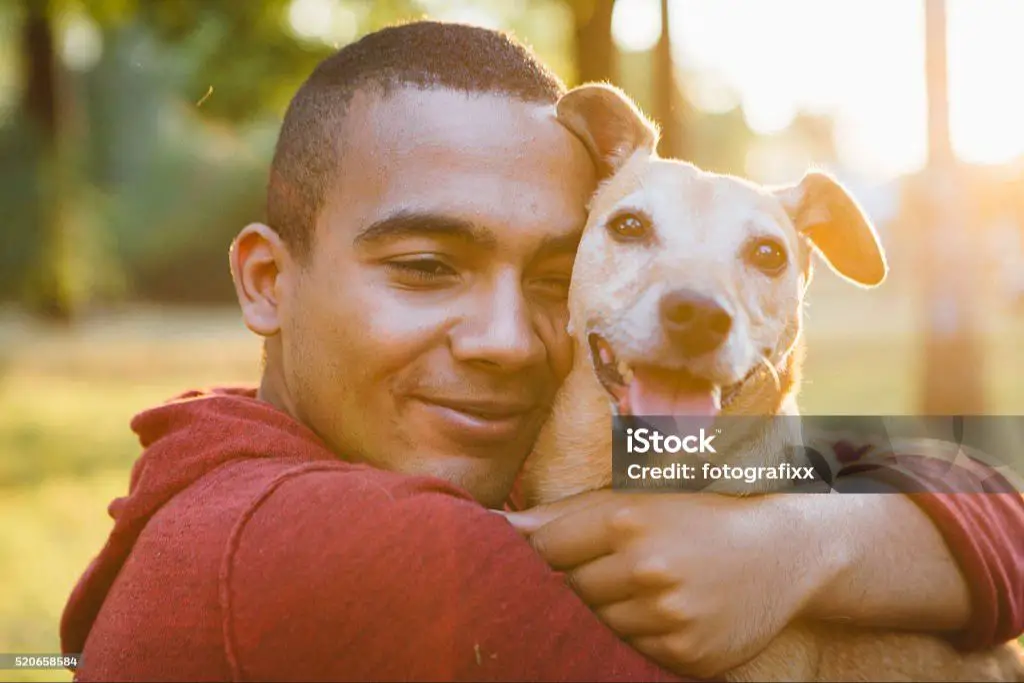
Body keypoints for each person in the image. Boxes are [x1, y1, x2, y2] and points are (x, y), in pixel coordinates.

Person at [61, 20, 1024, 682]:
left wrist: (799, 542)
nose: (508, 342)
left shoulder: (556, 457)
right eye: (429, 264)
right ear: (268, 281)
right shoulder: (341, 549)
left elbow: (993, 495)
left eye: (553, 278)